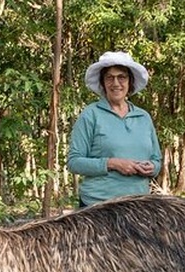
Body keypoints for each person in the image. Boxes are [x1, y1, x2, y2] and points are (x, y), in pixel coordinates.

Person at [67, 51, 162, 207]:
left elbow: (157, 160)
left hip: (139, 206)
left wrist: (151, 167)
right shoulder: (91, 114)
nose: (116, 83)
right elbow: (74, 162)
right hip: (98, 207)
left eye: (122, 77)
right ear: (103, 83)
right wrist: (112, 163)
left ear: (130, 82)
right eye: (109, 78)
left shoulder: (143, 117)